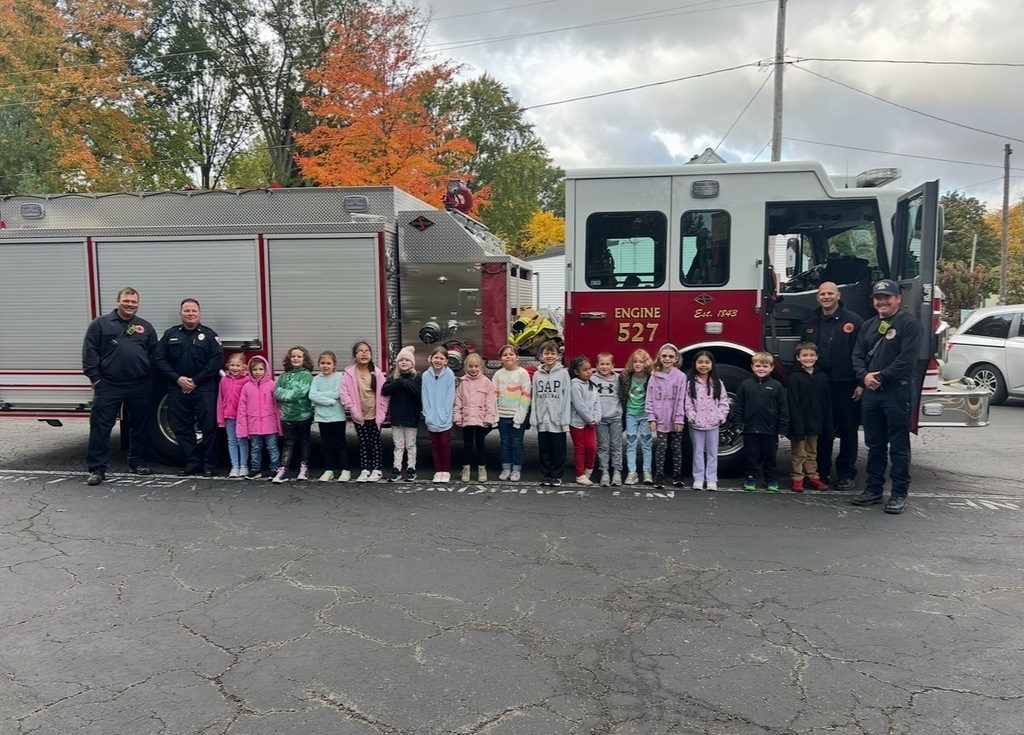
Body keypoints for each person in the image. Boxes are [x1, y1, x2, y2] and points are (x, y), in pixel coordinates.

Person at [850, 279, 924, 514]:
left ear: (898, 299)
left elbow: (906, 360)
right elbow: (857, 355)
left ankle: (899, 494)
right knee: (875, 444)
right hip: (872, 393)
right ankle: (873, 490)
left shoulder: (910, 325)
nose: (882, 301)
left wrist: (879, 377)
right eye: (878, 298)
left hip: (897, 392)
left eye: (887, 297)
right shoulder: (869, 325)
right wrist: (864, 377)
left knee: (899, 446)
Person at [81, 287, 158, 485]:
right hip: (109, 384)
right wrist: (94, 377)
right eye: (126, 301)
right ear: (118, 302)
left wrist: (149, 378)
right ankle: (97, 469)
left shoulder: (145, 327)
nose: (130, 304)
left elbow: (154, 355)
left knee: (140, 426)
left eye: (133, 302)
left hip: (140, 384)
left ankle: (137, 462)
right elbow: (89, 351)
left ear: (138, 304)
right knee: (101, 427)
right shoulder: (100, 324)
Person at [802, 281, 864, 490]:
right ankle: (822, 472)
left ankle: (846, 473)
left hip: (845, 384)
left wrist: (860, 383)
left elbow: (863, 354)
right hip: (819, 384)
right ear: (817, 297)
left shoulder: (854, 321)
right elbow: (804, 352)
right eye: (822, 294)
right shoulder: (810, 321)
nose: (826, 297)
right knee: (823, 430)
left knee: (848, 430)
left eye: (830, 293)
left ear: (838, 295)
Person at [154, 298, 224, 477]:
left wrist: (195, 381)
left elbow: (216, 362)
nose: (190, 314)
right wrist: (178, 379)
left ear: (200, 314)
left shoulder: (209, 336)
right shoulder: (170, 335)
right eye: (187, 311)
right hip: (177, 389)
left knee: (209, 428)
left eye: (194, 311)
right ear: (180, 314)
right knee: (182, 428)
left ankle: (209, 465)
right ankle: (192, 463)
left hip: (203, 388)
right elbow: (159, 359)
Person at [730, 351, 789, 492]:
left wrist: (783, 428)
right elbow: (738, 406)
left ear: (771, 368)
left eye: (765, 366)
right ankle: (750, 478)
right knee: (751, 456)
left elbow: (783, 408)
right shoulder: (745, 385)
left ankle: (772, 480)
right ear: (752, 367)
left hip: (770, 429)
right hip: (750, 429)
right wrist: (738, 424)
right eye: (758, 366)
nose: (761, 369)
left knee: (770, 457)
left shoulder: (776, 386)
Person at [787, 342, 832, 492]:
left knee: (812, 452)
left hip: (816, 421)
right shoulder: (794, 377)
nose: (808, 358)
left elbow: (827, 402)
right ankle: (797, 478)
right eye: (804, 355)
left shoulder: (822, 377)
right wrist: (796, 425)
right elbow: (793, 402)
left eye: (812, 355)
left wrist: (826, 423)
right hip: (799, 422)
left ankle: (813, 476)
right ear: (798, 358)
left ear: (817, 357)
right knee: (799, 452)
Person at [340, 342, 389, 483]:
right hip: (359, 416)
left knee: (375, 442)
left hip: (374, 415)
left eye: (367, 351)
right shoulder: (349, 373)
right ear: (354, 355)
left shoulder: (377, 372)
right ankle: (365, 469)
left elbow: (384, 395)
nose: (364, 353)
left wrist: (382, 412)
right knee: (363, 443)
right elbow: (344, 393)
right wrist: (352, 409)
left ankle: (377, 469)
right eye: (360, 351)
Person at [683, 350, 731, 491]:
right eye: (700, 362)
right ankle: (698, 478)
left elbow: (724, 401)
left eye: (707, 362)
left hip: (713, 424)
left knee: (712, 452)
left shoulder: (717, 383)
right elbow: (687, 403)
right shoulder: (691, 383)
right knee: (697, 451)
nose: (703, 365)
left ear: (712, 364)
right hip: (696, 424)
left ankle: (711, 479)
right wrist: (691, 417)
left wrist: (721, 416)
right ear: (695, 364)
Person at [646, 343, 687, 489]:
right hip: (660, 418)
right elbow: (649, 397)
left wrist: (679, 418)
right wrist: (651, 417)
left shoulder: (681, 377)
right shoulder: (654, 376)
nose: (667, 359)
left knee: (676, 447)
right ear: (659, 357)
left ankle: (677, 475)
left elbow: (682, 399)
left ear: (676, 358)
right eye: (664, 356)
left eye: (671, 356)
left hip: (675, 419)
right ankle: (659, 475)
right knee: (661, 447)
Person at [531, 340, 571, 487]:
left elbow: (567, 397)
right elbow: (534, 397)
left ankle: (557, 474)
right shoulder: (537, 375)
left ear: (558, 355)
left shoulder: (563, 374)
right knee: (544, 449)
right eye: (546, 353)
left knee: (558, 449)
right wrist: (534, 417)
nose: (549, 356)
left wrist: (565, 418)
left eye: (552, 353)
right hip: (543, 419)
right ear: (541, 356)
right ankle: (546, 474)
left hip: (558, 419)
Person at [272, 346, 315, 483]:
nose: (296, 358)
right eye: (293, 356)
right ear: (289, 359)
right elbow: (276, 392)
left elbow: (299, 393)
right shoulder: (284, 376)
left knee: (304, 442)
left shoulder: (306, 376)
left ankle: (304, 468)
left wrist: (285, 393)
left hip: (303, 415)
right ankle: (283, 469)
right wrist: (286, 394)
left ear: (304, 359)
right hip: (286, 416)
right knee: (288, 443)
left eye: (299, 356)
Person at [236, 356, 281, 480]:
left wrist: (279, 425)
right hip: (253, 424)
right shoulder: (247, 387)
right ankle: (255, 469)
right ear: (250, 371)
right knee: (255, 448)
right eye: (255, 369)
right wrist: (243, 428)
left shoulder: (272, 385)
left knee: (272, 448)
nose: (258, 372)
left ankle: (275, 469)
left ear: (266, 370)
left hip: (270, 424)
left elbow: (278, 407)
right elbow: (242, 408)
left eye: (261, 369)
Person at [381, 345, 422, 483]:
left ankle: (411, 469)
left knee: (410, 445)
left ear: (412, 363)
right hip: (397, 418)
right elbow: (385, 390)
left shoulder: (418, 377)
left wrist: (405, 382)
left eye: (407, 360)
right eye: (401, 360)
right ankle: (396, 469)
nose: (404, 362)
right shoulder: (393, 378)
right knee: (398, 445)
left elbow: (420, 393)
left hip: (411, 417)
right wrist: (400, 382)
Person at [455, 353, 497, 483]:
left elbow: (490, 402)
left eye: (476, 366)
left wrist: (489, 418)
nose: (473, 369)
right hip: (467, 419)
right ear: (466, 367)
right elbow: (458, 401)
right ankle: (466, 469)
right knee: (467, 445)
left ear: (481, 367)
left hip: (481, 419)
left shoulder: (486, 382)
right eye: (470, 366)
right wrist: (457, 417)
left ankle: (482, 469)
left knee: (480, 444)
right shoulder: (462, 382)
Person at [309, 350, 350, 483]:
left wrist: (321, 396)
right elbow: (312, 395)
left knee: (340, 444)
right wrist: (330, 401)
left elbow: (338, 393)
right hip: (322, 417)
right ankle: (329, 470)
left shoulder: (339, 377)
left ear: (334, 364)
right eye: (322, 363)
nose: (325, 366)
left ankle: (345, 470)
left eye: (328, 363)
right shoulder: (316, 379)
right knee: (326, 445)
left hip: (337, 416)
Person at [493, 344, 531, 482]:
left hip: (517, 416)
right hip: (502, 416)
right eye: (505, 355)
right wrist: (495, 415)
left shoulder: (522, 373)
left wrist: (520, 416)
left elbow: (526, 396)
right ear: (500, 359)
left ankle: (516, 469)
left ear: (517, 357)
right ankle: (506, 468)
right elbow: (494, 396)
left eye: (511, 354)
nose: (508, 356)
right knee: (505, 443)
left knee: (517, 442)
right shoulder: (498, 374)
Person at [421, 345, 456, 484]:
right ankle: (438, 471)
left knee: (444, 444)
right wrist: (427, 412)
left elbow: (450, 395)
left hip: (444, 416)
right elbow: (425, 395)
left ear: (446, 361)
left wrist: (446, 413)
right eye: (436, 357)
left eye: (441, 358)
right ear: (431, 359)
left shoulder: (449, 375)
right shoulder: (425, 375)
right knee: (435, 445)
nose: (438, 361)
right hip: (431, 416)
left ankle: (445, 471)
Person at [620, 348, 653, 486]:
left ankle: (647, 471)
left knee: (647, 444)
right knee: (631, 444)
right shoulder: (626, 377)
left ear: (646, 364)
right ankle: (632, 473)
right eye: (635, 362)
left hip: (645, 415)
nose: (638, 364)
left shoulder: (651, 378)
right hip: (631, 414)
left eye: (641, 361)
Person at [592, 351, 623, 487]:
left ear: (613, 365)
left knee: (616, 445)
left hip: (615, 417)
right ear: (597, 365)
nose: (605, 367)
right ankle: (604, 471)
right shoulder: (592, 379)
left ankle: (617, 471)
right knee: (603, 446)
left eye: (607, 364)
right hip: (600, 419)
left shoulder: (619, 379)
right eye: (602, 364)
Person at [217, 352, 250, 478]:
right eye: (232, 365)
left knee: (242, 441)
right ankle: (234, 466)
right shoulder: (224, 381)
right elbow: (220, 400)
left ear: (244, 367)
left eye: (238, 365)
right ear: (228, 366)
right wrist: (221, 418)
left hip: (242, 417)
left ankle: (244, 466)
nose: (235, 368)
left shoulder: (247, 381)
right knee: (231, 441)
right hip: (228, 417)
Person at [568, 355, 600, 486]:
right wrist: (589, 419)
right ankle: (580, 474)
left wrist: (596, 419)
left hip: (590, 423)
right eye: (585, 370)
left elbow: (597, 403)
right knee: (580, 448)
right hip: (577, 423)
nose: (589, 371)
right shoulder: (575, 385)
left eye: (590, 368)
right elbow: (578, 405)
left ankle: (589, 468)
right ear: (576, 372)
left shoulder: (592, 385)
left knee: (592, 447)